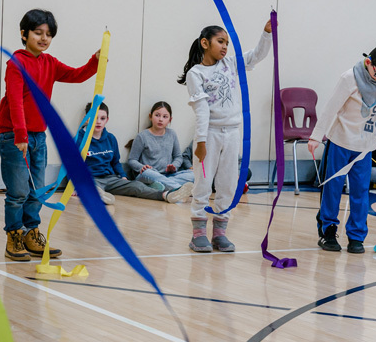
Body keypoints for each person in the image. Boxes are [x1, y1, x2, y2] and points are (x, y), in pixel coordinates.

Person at [0, 8, 99, 261]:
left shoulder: (50, 63)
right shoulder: (16, 63)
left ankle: (32, 232)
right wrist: (20, 134)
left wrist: (96, 60)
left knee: (37, 190)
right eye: (38, 33)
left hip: (38, 137)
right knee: (18, 190)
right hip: (14, 136)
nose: (44, 38)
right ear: (24, 34)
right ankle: (14, 235)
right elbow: (15, 101)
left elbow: (77, 75)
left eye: (48, 34)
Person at [178, 20, 272, 253]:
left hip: (232, 133)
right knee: (203, 183)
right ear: (205, 43)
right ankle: (198, 234)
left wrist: (267, 33)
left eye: (227, 43)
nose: (225, 47)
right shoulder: (195, 73)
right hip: (208, 134)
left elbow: (256, 56)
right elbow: (201, 110)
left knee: (228, 184)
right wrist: (200, 142)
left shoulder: (229, 64)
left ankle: (220, 233)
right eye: (220, 42)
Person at [308, 46, 376, 253]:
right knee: (333, 188)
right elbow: (331, 108)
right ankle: (328, 231)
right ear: (369, 63)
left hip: (365, 146)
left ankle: (356, 236)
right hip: (340, 142)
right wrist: (314, 136)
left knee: (360, 191)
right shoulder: (349, 78)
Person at [75, 101, 192, 205]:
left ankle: (166, 195)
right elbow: (72, 165)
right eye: (95, 118)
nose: (98, 122)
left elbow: (115, 162)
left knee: (137, 186)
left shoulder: (111, 138)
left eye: (102, 118)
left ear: (107, 119)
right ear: (87, 119)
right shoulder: (79, 139)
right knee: (91, 186)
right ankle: (97, 194)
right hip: (91, 179)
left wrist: (123, 176)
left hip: (111, 178)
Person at [128, 101, 195, 191]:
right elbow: (132, 160)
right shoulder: (142, 136)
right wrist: (141, 167)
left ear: (170, 120)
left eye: (165, 117)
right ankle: (178, 189)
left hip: (167, 175)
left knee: (194, 175)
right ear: (150, 116)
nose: (160, 119)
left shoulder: (172, 134)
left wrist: (174, 166)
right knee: (149, 173)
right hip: (148, 175)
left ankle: (159, 186)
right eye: (157, 115)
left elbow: (178, 157)